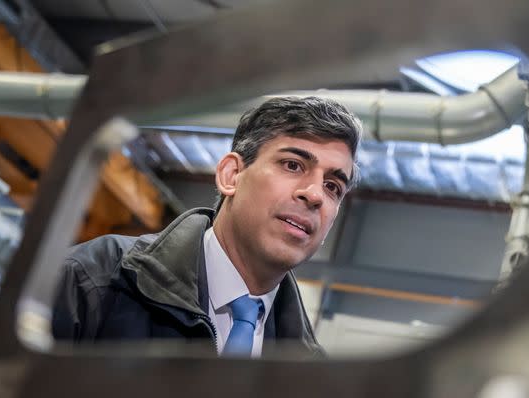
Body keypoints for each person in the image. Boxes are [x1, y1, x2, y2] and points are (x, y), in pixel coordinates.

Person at [52, 96, 362, 358]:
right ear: (231, 176)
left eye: (333, 186)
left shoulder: (308, 373)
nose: (315, 194)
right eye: (292, 165)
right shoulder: (94, 280)